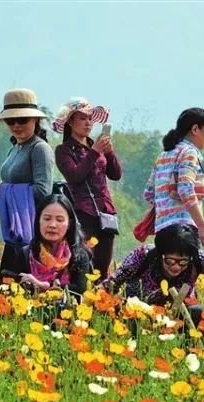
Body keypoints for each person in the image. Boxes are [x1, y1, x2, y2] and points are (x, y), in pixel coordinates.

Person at [103, 224, 204, 327]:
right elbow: (112, 283)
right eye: (170, 261)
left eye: (183, 262)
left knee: (198, 312)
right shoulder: (142, 256)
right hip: (138, 312)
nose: (176, 267)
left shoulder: (197, 259)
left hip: (179, 313)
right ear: (161, 254)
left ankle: (191, 350)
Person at [0, 88, 54, 283]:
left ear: (35, 121)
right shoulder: (16, 148)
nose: (16, 125)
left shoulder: (40, 149)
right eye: (11, 121)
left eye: (22, 120)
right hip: (14, 229)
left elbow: (43, 191)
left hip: (32, 231)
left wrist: (1, 190)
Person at [53, 97, 120, 280]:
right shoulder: (63, 150)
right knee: (84, 265)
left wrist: (109, 152)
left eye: (90, 118)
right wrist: (95, 151)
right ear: (70, 122)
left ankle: (102, 303)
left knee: (103, 269)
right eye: (82, 118)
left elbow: (116, 174)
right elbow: (75, 175)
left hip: (106, 213)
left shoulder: (94, 146)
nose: (88, 122)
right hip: (84, 214)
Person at [144, 108, 204, 247]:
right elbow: (185, 189)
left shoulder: (164, 155)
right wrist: (202, 226)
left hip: (162, 229)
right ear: (195, 129)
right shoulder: (189, 153)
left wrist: (166, 210)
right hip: (183, 231)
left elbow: (149, 193)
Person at [9, 194, 91, 295]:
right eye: (47, 219)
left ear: (69, 223)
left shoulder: (79, 256)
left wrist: (44, 286)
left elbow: (80, 290)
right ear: (38, 220)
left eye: (59, 220)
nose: (52, 225)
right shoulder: (26, 254)